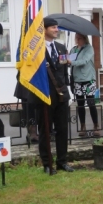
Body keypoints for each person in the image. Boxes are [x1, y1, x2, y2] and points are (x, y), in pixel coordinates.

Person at [35, 17, 73, 174]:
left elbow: (63, 71)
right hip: (45, 95)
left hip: (61, 95)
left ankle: (62, 161)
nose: (57, 30)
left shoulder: (61, 47)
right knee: (45, 130)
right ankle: (46, 163)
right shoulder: (36, 49)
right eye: (53, 27)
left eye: (57, 27)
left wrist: (65, 88)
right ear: (44, 29)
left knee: (63, 129)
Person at [70, 33, 100, 137]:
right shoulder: (73, 50)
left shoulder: (89, 49)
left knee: (91, 103)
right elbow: (69, 61)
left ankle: (96, 125)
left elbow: (84, 61)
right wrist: (66, 58)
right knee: (80, 104)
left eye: (80, 38)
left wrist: (71, 62)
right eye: (76, 38)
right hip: (77, 80)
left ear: (85, 38)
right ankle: (83, 126)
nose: (77, 40)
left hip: (88, 79)